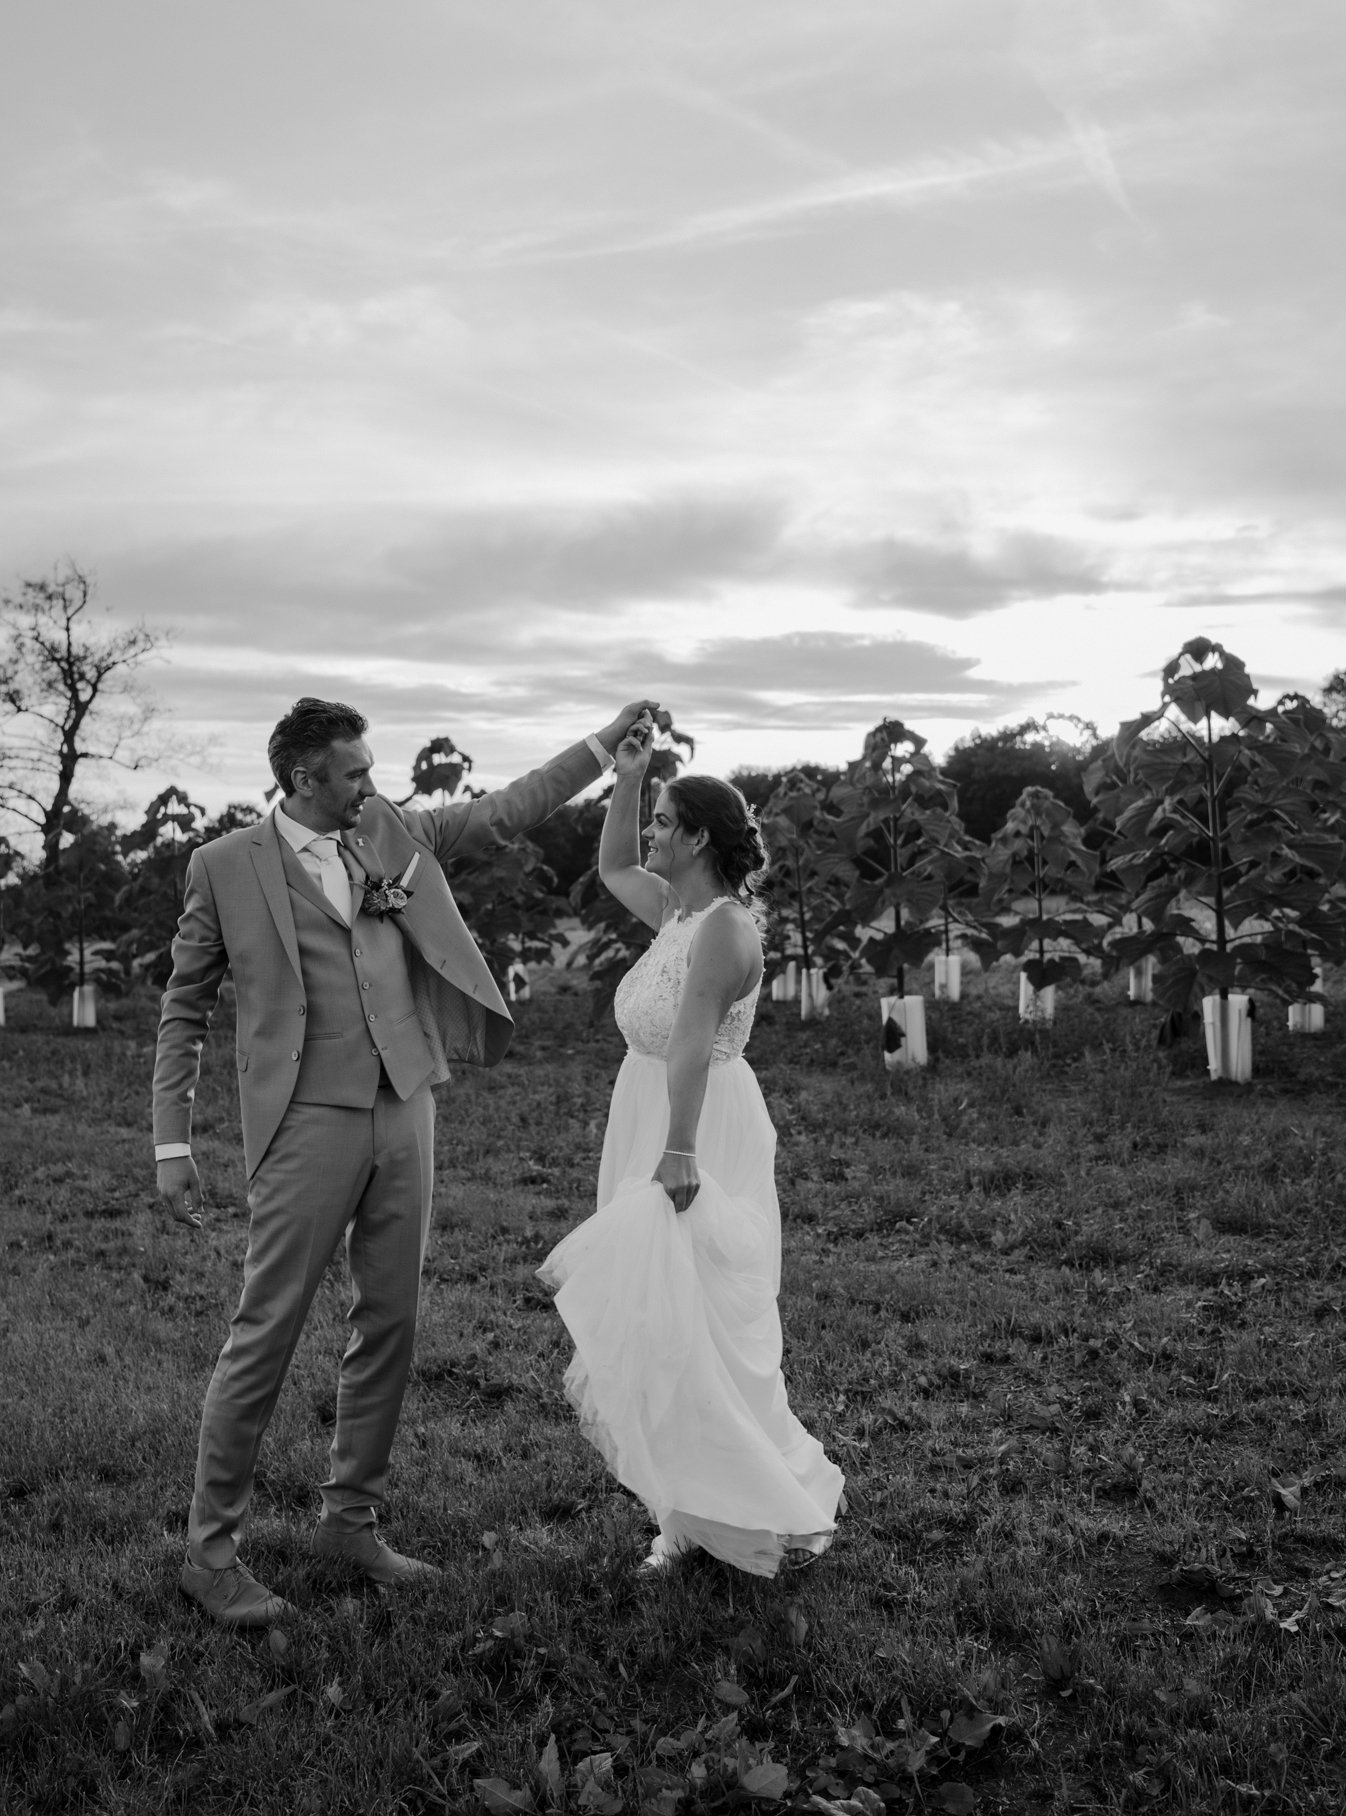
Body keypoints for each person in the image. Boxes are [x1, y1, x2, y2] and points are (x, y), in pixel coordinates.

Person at [155, 693, 657, 1628]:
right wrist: (172, 1140)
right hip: (305, 1122)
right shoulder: (223, 867)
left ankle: (351, 1521)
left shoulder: (385, 829)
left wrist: (604, 747)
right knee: (265, 1334)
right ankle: (209, 1552)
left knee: (390, 1322)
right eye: (353, 773)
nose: (370, 786)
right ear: (303, 778)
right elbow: (184, 1004)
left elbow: (511, 806)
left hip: (407, 1105)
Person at [538, 721, 843, 1576]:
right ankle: (687, 1508)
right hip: (646, 1112)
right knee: (657, 1318)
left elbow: (689, 1041)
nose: (652, 835)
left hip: (692, 1124)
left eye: (665, 820)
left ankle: (741, 1507)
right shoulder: (678, 914)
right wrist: (628, 778)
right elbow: (609, 869)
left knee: (698, 1320)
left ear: (701, 836)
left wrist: (677, 1154)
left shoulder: (720, 929)